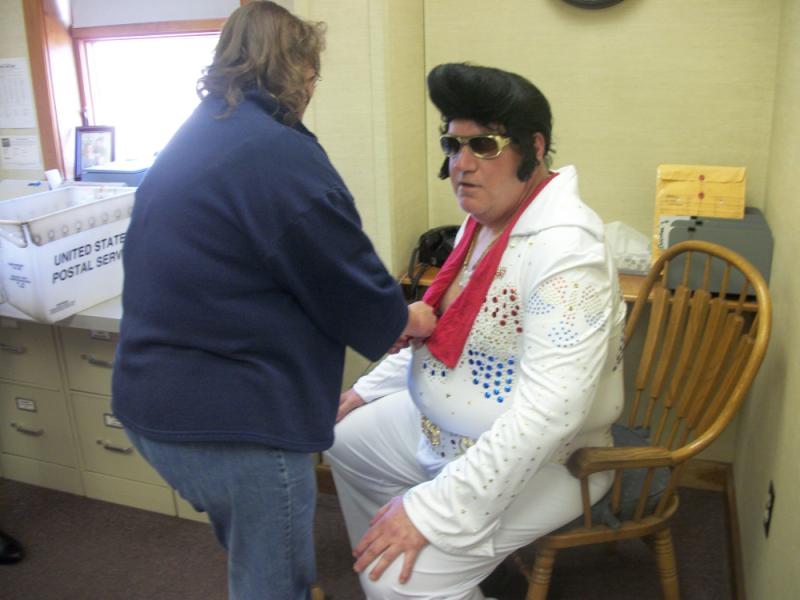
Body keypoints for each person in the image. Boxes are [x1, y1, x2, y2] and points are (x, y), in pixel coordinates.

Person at [111, 3, 435, 600]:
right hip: (233, 420)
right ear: (298, 70)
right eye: (313, 75)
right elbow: (337, 268)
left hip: (154, 399)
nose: (312, 89)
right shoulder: (275, 153)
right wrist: (404, 315)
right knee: (274, 580)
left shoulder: (204, 130)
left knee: (252, 551)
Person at [325, 62, 627, 600]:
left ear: (534, 148)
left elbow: (550, 414)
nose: (460, 165)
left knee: (393, 582)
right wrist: (365, 390)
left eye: (483, 146)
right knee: (346, 441)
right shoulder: (483, 222)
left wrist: (433, 510)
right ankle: (421, 556)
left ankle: (416, 571)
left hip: (550, 462)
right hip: (442, 432)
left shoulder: (567, 252)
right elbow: (446, 334)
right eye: (452, 145)